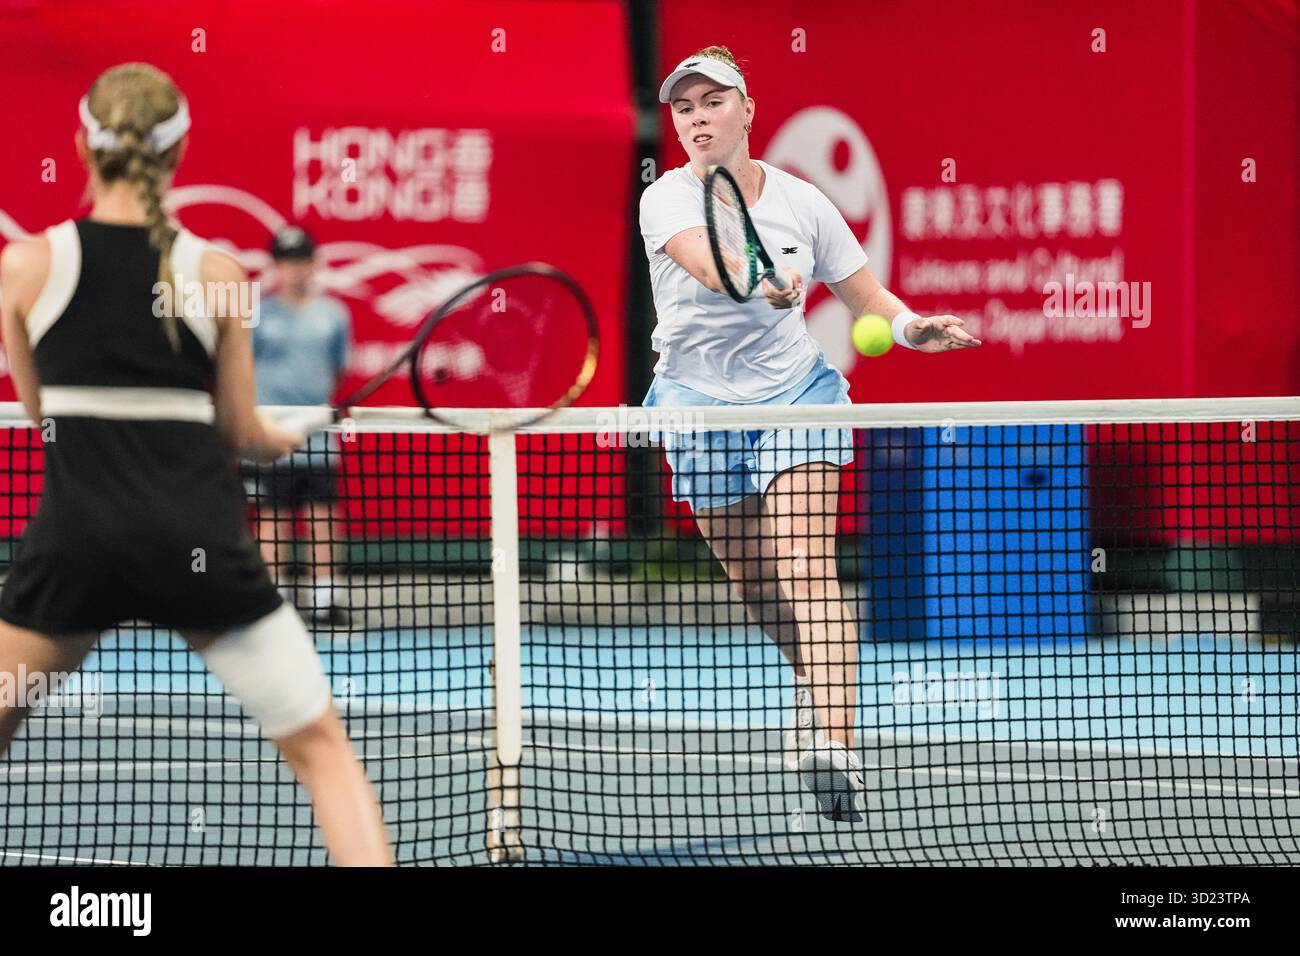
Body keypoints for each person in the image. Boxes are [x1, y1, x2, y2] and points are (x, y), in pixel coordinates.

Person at [0, 63, 392, 864]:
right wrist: (286, 437)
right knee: (325, 756)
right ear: (180, 154)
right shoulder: (221, 277)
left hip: (73, 547)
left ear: (82, 146)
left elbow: (44, 418)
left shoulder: (23, 267)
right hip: (198, 548)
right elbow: (241, 432)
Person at [640, 46, 981, 820]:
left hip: (797, 389)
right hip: (695, 402)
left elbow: (863, 293)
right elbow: (705, 262)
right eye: (684, 107)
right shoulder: (662, 199)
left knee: (804, 562)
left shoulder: (805, 202)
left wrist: (907, 326)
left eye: (713, 101)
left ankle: (835, 743)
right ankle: (814, 678)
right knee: (757, 583)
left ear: (748, 109)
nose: (697, 117)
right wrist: (753, 276)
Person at [244, 226, 352, 626]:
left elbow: (338, 369)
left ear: (314, 263)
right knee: (271, 518)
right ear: (276, 266)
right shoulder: (258, 313)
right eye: (287, 262)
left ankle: (326, 602)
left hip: (319, 437)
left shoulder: (334, 315)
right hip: (269, 436)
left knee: (322, 516)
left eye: (302, 261)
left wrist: (313, 413)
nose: (295, 270)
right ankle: (275, 606)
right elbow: (242, 371)